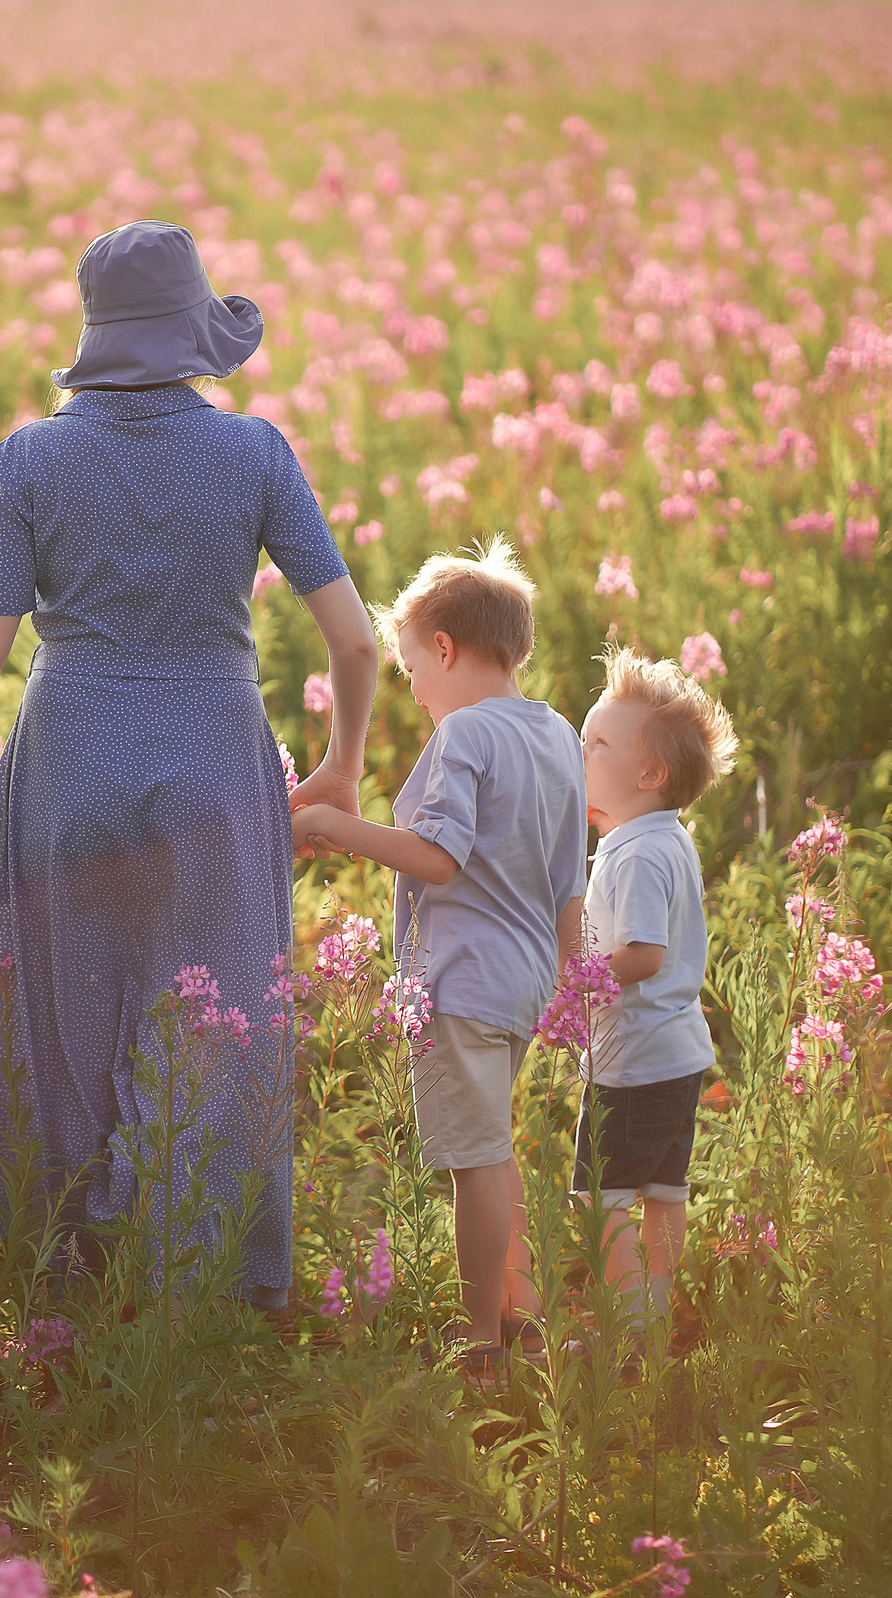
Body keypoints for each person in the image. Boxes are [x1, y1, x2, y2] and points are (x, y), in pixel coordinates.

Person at [0, 220, 377, 1315]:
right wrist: (341, 764)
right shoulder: (255, 453)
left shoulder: (33, 457)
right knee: (219, 1025)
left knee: (57, 1016)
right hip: (216, 761)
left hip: (71, 755)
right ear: (193, 336)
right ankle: (209, 1293)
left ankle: (57, 1275)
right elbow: (356, 640)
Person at [290, 539, 585, 1373]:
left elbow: (437, 856)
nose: (414, 692)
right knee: (495, 1150)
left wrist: (327, 825)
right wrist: (575, 985)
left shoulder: (462, 738)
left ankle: (479, 1339)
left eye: (412, 670)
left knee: (473, 1160)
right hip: (527, 979)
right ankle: (520, 1317)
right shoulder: (559, 735)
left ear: (447, 649)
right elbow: (571, 881)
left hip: (461, 980)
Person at [570, 647, 739, 1348]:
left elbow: (643, 954)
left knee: (600, 1198)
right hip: (676, 1056)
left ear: (650, 773)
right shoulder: (661, 840)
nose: (581, 752)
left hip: (633, 1064)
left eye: (597, 742)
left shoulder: (636, 853)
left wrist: (575, 977)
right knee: (664, 1192)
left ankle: (619, 1327)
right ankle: (653, 1313)